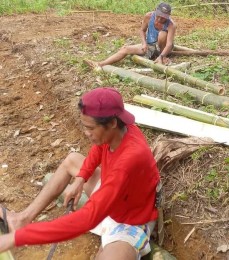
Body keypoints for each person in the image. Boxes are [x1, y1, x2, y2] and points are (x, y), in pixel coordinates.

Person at [0, 87, 160, 259]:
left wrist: (17, 238)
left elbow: (87, 218)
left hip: (131, 219)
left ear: (112, 122)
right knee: (72, 159)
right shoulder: (118, 131)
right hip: (114, 193)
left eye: (90, 128)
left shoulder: (130, 159)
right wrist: (81, 179)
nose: (86, 133)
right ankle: (23, 218)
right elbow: (99, 149)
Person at [85, 2, 176, 68]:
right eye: (159, 15)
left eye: (163, 17)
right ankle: (100, 64)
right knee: (125, 49)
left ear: (168, 16)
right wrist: (144, 44)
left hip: (163, 48)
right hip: (150, 45)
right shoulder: (148, 16)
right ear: (155, 10)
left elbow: (169, 44)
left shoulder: (171, 24)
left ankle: (161, 56)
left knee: (162, 34)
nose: (160, 19)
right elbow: (142, 30)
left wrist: (162, 56)